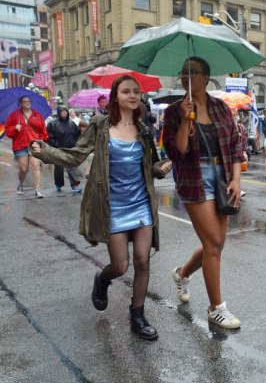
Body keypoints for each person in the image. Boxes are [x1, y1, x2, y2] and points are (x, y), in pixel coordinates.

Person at [31, 75, 172, 340]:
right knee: (120, 266)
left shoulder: (143, 129)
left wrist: (161, 168)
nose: (132, 95)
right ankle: (102, 280)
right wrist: (44, 152)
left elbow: (151, 165)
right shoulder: (100, 126)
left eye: (135, 92)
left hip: (141, 203)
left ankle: (137, 315)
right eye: (126, 91)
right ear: (115, 96)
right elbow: (75, 154)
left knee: (142, 261)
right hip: (112, 206)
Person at [163, 57, 244, 329]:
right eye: (183, 73)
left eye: (193, 73)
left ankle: (182, 273)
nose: (187, 78)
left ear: (206, 77)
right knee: (213, 245)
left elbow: (235, 145)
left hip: (222, 177)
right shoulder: (174, 111)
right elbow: (176, 153)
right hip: (193, 177)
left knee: (218, 243)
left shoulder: (220, 107)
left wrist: (236, 178)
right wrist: (186, 119)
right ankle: (215, 308)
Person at [5, 95, 48, 198]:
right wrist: (15, 128)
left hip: (34, 145)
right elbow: (8, 132)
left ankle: (37, 189)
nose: (27, 103)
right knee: (23, 169)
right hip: (20, 145)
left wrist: (41, 139)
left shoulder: (37, 115)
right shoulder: (14, 115)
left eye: (28, 101)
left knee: (35, 166)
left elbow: (43, 131)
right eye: (24, 101)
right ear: (20, 103)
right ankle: (21, 184)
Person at [46, 106, 82, 192]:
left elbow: (77, 134)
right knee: (59, 167)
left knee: (72, 166)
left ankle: (75, 185)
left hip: (70, 149)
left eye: (65, 111)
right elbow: (50, 137)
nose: (64, 112)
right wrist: (56, 145)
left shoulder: (71, 123)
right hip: (58, 149)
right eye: (62, 111)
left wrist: (76, 142)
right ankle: (58, 184)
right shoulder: (52, 123)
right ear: (59, 113)